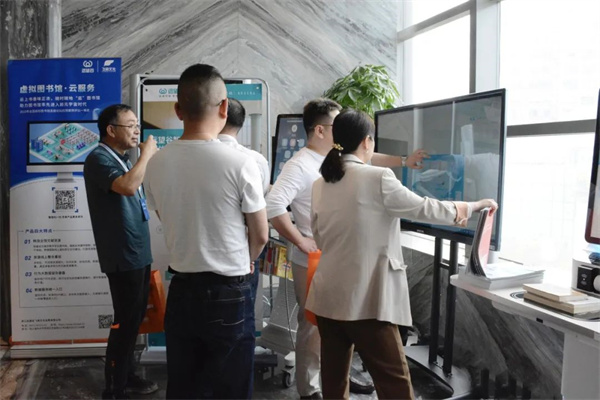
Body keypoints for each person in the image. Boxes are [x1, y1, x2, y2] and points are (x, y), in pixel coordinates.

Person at [306, 109, 498, 400]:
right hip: (367, 299)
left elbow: (319, 236)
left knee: (333, 384)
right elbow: (424, 208)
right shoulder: (377, 177)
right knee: (395, 384)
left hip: (327, 298)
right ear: (367, 142)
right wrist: (471, 206)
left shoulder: (321, 183)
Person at [265, 98, 427, 399]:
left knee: (337, 329)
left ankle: (338, 382)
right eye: (335, 124)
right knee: (314, 328)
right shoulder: (300, 165)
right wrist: (301, 240)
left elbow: (367, 155)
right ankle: (310, 389)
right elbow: (273, 205)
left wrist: (404, 161)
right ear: (320, 130)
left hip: (336, 257)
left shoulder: (335, 159)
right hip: (313, 258)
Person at [144, 64, 269, 399]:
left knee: (184, 385)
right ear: (224, 107)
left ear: (178, 109)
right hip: (229, 289)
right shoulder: (240, 162)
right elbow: (260, 234)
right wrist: (247, 259)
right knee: (231, 386)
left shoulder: (156, 163)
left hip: (182, 289)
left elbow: (164, 215)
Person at [83, 104, 159, 400]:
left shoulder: (122, 159)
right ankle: (114, 388)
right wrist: (146, 155)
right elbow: (127, 187)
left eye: (137, 125)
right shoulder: (98, 158)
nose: (137, 131)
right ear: (111, 130)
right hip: (122, 254)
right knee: (124, 322)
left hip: (137, 251)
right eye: (130, 125)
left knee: (133, 320)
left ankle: (127, 375)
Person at [218, 98, 270, 303]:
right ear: (241, 123)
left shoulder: (193, 156)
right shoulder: (256, 160)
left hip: (197, 262)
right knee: (243, 313)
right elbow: (259, 224)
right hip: (243, 253)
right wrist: (249, 259)